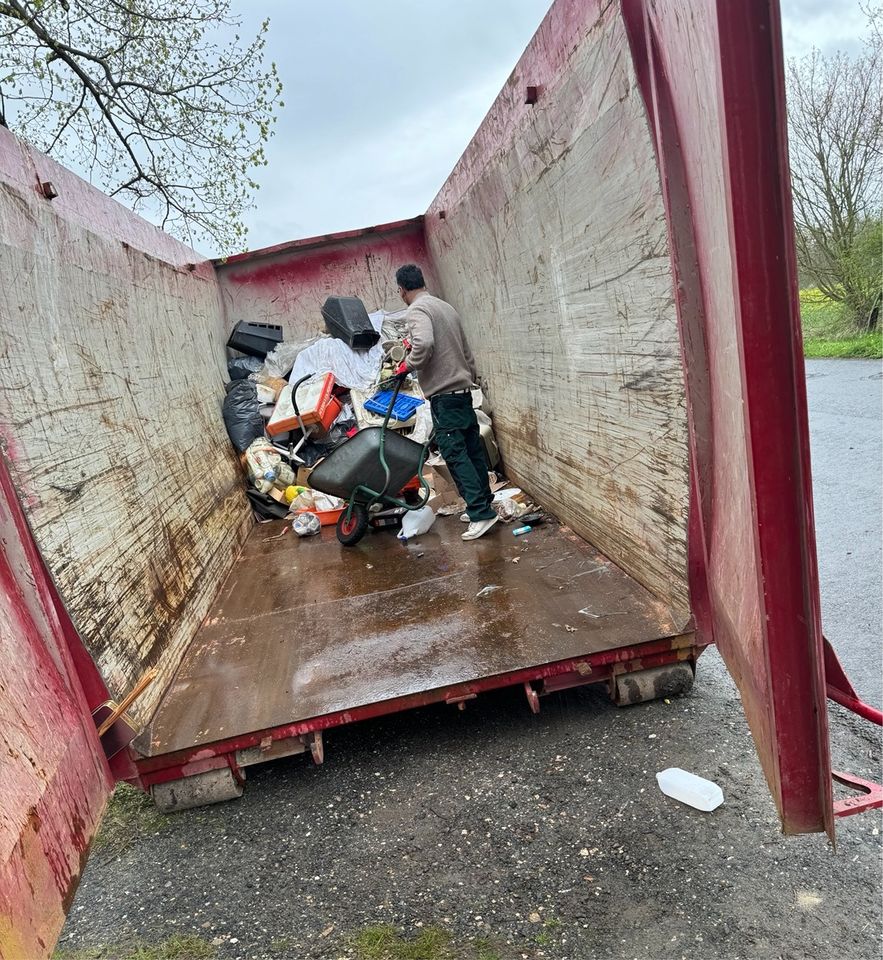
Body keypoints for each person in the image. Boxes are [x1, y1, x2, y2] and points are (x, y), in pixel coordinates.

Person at [394, 263, 498, 541]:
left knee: (454, 453)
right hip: (463, 393)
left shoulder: (416, 310)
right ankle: (484, 504)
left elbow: (424, 344)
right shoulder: (446, 307)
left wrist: (407, 365)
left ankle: (481, 513)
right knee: (472, 449)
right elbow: (466, 352)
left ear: (402, 290)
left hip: (444, 396)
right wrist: (468, 379)